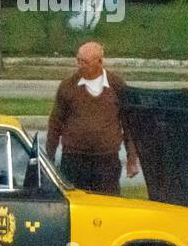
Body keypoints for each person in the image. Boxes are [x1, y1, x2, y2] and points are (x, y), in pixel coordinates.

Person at [46, 41, 139, 195]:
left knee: (107, 207)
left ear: (100, 62)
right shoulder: (67, 86)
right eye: (78, 61)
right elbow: (55, 123)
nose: (80, 65)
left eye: (85, 62)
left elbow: (129, 124)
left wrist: (132, 159)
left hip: (107, 162)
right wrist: (49, 157)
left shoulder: (117, 85)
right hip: (73, 161)